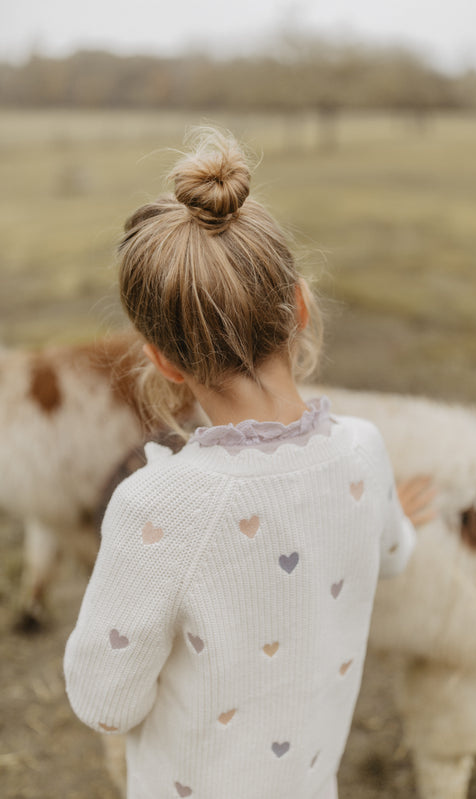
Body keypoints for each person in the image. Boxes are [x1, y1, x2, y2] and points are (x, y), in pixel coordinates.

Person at [64, 129, 433, 799]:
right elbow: (393, 552)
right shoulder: (363, 451)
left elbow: (104, 703)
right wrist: (390, 509)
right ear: (298, 306)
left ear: (163, 359)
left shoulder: (158, 506)